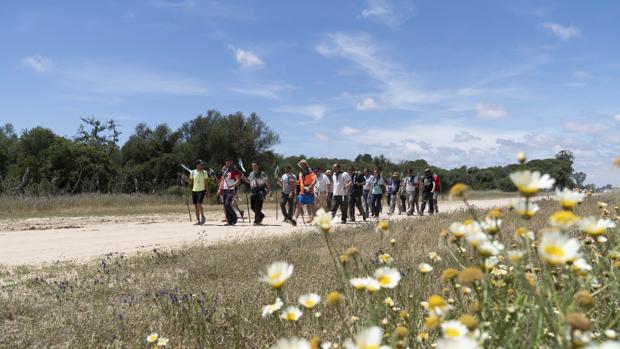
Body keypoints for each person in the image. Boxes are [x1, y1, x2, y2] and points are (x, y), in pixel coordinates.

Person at [242, 160, 271, 226]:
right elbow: (249, 181)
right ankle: (261, 215)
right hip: (253, 192)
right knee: (252, 207)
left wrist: (270, 190)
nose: (253, 167)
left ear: (258, 166)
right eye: (252, 166)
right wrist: (244, 179)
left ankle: (256, 221)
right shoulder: (251, 173)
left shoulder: (262, 173)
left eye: (255, 165)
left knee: (258, 207)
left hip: (261, 192)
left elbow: (267, 182)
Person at [294, 159, 317, 224]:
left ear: (304, 165)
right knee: (298, 205)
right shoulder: (300, 173)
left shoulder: (309, 171)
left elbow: (315, 179)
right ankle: (294, 220)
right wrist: (294, 182)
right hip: (302, 192)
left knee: (311, 206)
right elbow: (300, 182)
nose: (299, 166)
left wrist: (311, 185)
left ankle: (314, 219)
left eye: (301, 165)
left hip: (309, 191)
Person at [187, 160, 208, 225]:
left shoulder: (204, 172)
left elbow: (206, 182)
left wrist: (207, 191)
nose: (202, 166)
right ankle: (198, 220)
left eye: (202, 165)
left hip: (202, 190)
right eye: (200, 165)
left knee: (199, 204)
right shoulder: (192, 172)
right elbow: (191, 182)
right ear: (197, 165)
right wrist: (186, 180)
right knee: (196, 206)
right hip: (194, 190)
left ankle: (203, 217)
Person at [222, 158, 241, 225]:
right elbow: (223, 179)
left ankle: (235, 217)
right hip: (225, 189)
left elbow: (238, 181)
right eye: (226, 162)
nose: (228, 163)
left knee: (227, 204)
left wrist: (232, 185)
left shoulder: (234, 170)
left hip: (231, 189)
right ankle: (229, 220)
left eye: (229, 162)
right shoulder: (225, 170)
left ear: (232, 162)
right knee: (225, 205)